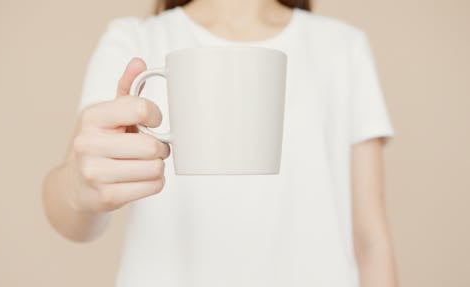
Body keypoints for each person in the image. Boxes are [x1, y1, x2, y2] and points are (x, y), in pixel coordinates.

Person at [42, 0, 398, 286]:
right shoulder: (134, 40)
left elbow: (371, 242)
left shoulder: (343, 47)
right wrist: (79, 188)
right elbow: (71, 217)